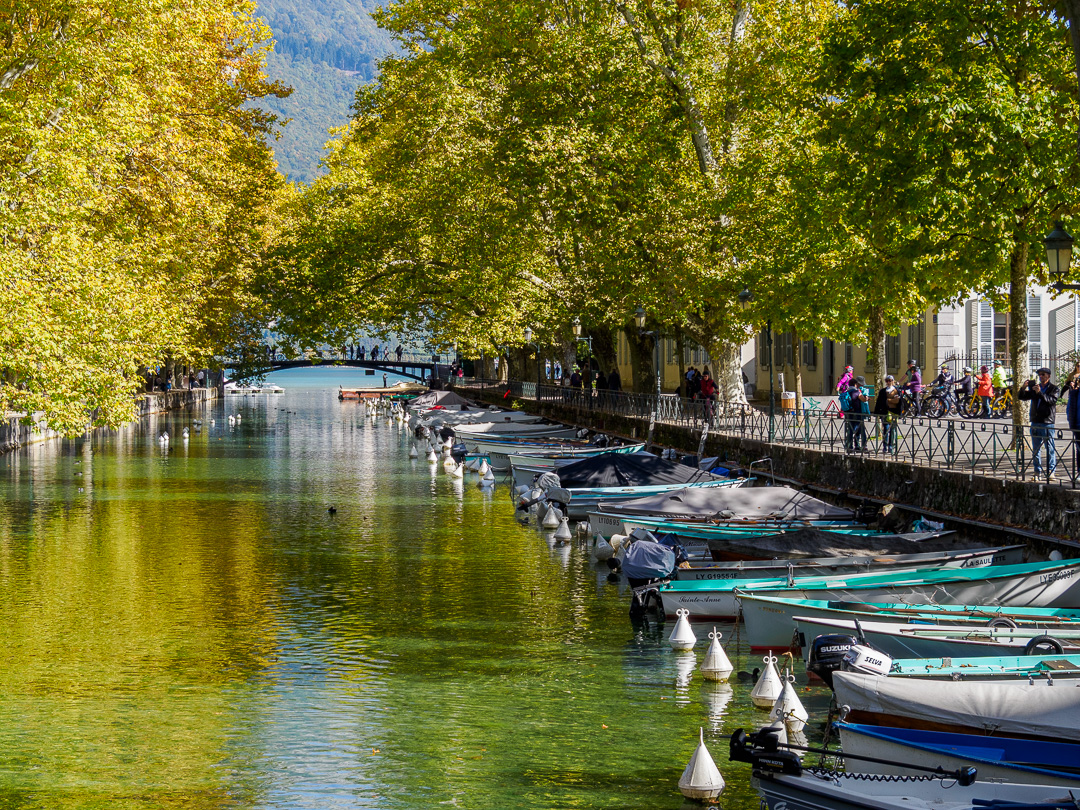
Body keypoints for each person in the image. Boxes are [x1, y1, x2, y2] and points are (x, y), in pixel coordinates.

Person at [1019, 367, 1060, 479]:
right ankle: (1037, 471)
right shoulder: (1035, 388)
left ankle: (1051, 471)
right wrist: (1023, 388)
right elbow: (1022, 397)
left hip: (1047, 422)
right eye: (1039, 375)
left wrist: (1040, 393)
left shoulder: (1054, 388)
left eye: (1043, 374)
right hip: (1035, 421)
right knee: (1036, 449)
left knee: (1050, 448)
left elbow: (1051, 401)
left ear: (1048, 376)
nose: (1041, 376)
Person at [873, 374, 902, 453]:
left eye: (890, 381)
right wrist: (876, 412)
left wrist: (900, 414)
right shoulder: (883, 391)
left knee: (893, 430)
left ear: (893, 381)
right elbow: (879, 402)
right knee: (886, 429)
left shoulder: (897, 390)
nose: (888, 382)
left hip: (894, 412)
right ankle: (885, 446)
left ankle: (891, 446)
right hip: (885, 412)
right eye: (887, 381)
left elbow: (900, 402)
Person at [843, 377, 870, 452]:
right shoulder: (856, 392)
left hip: (849, 413)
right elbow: (863, 399)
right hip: (857, 413)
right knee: (861, 430)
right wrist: (866, 398)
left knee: (850, 430)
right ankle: (863, 446)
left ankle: (849, 447)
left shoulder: (847, 391)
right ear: (855, 384)